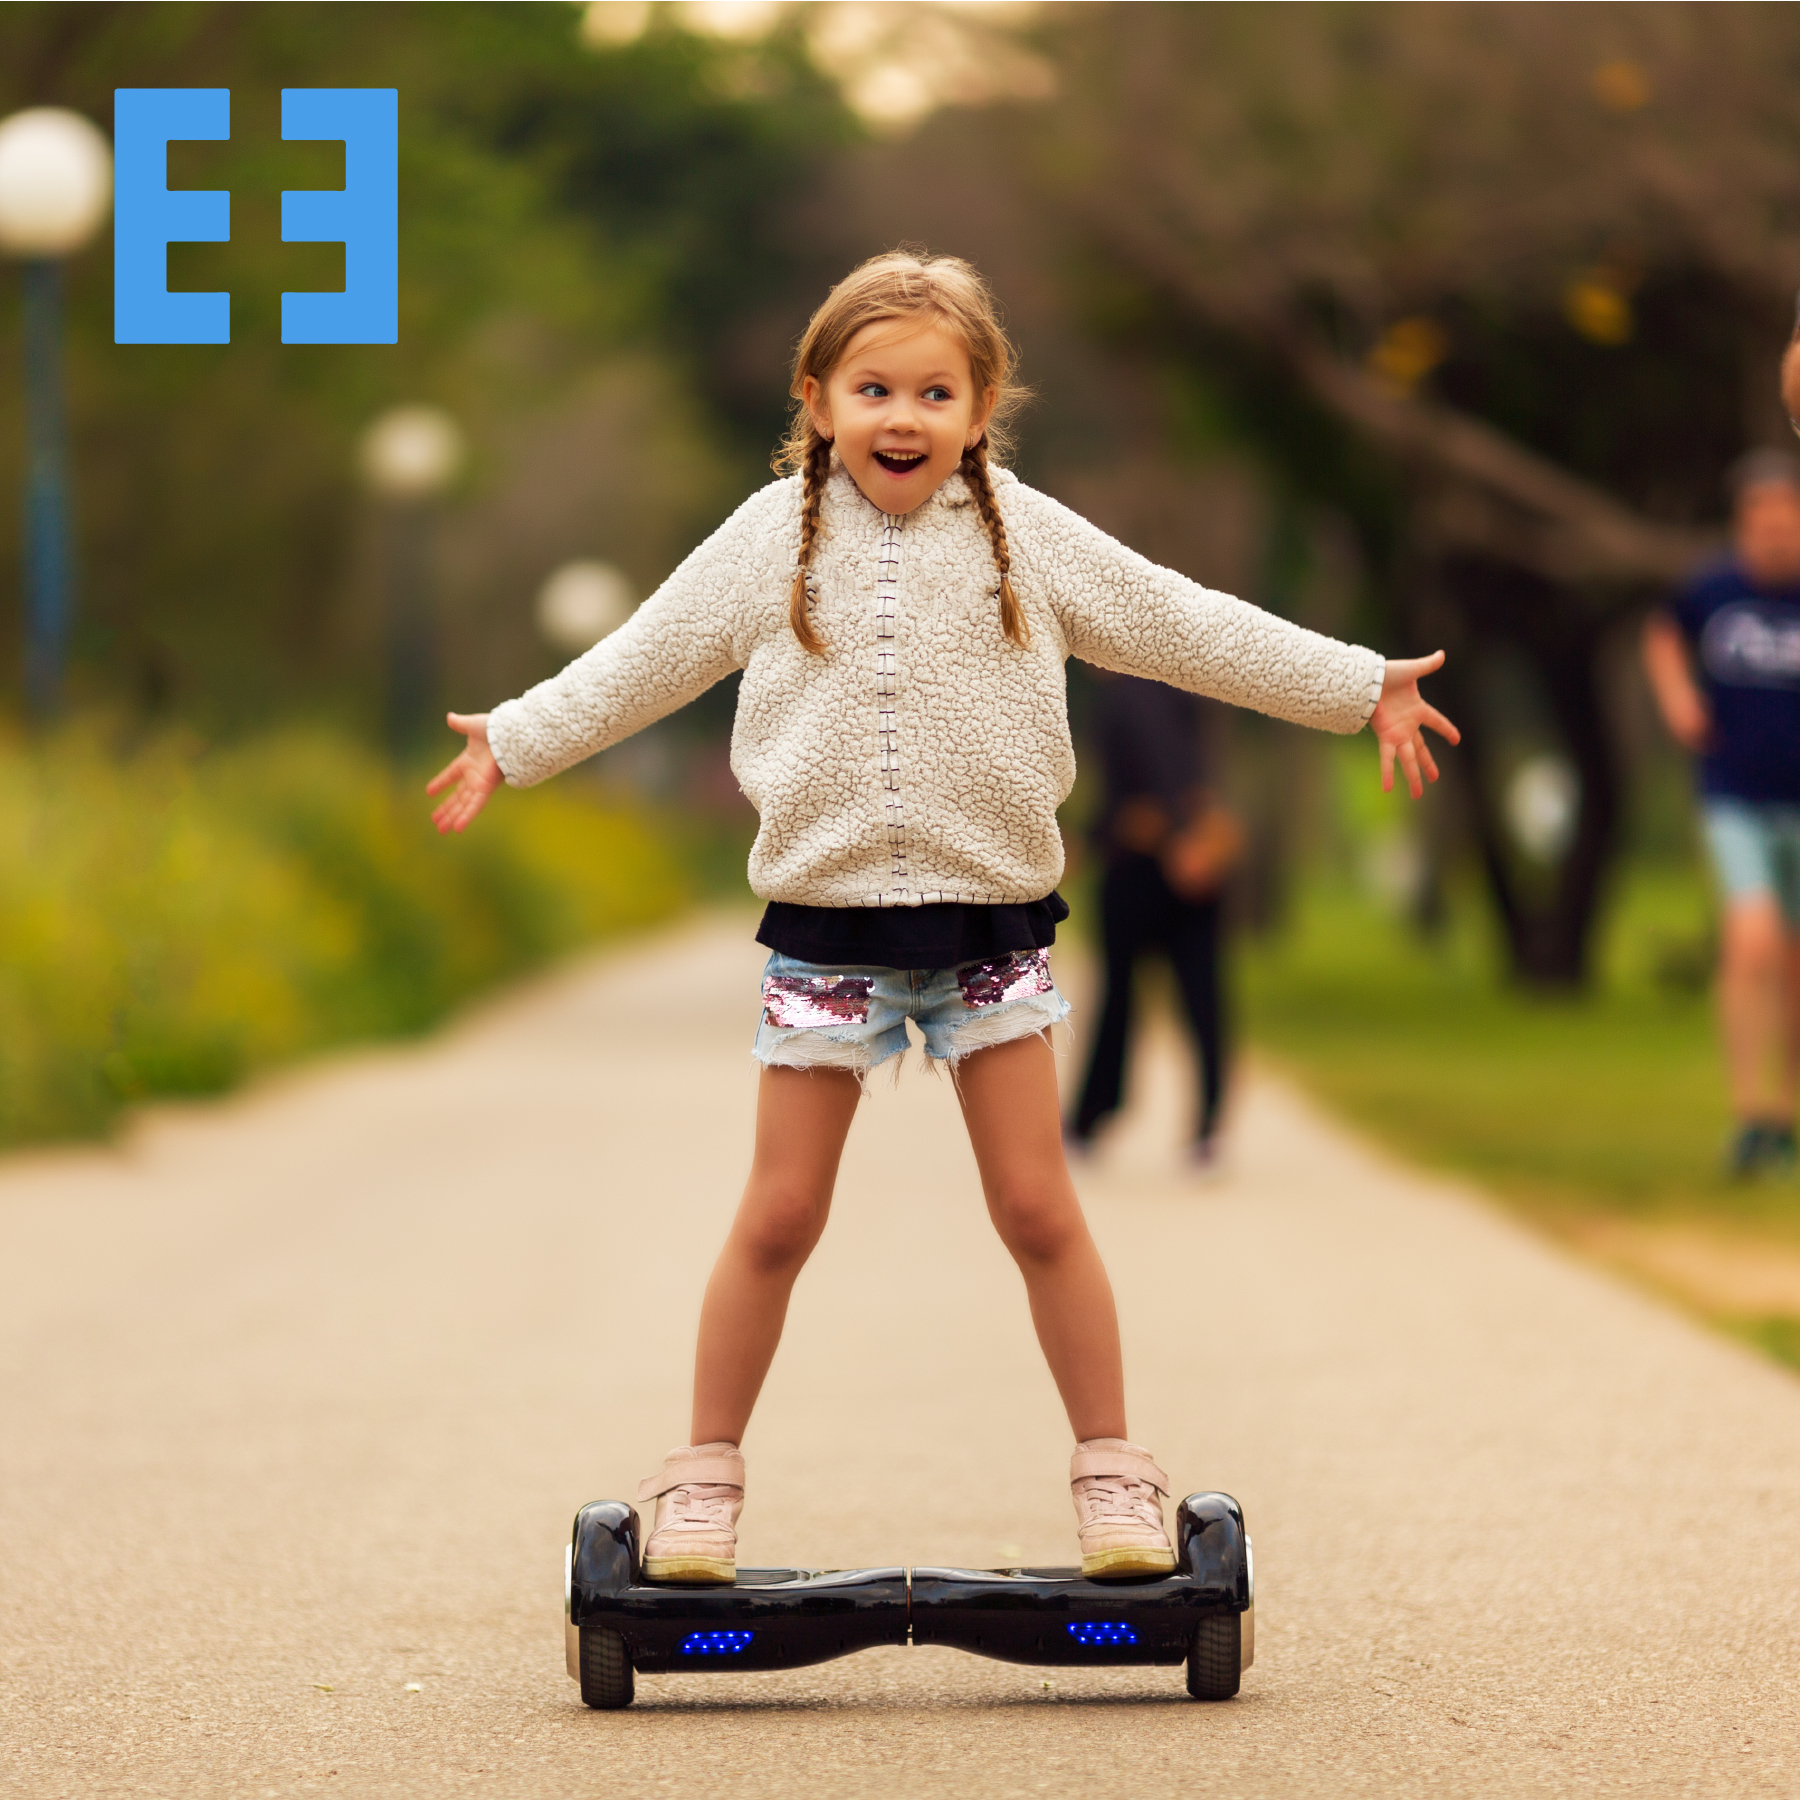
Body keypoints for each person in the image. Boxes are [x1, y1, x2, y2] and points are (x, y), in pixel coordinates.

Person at [426, 251, 1457, 1585]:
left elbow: (1182, 622)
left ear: (982, 409)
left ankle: (1114, 1479)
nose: (900, 418)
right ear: (818, 399)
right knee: (779, 1217)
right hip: (825, 941)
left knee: (1037, 1206)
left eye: (933, 391)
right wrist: (516, 738)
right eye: (872, 390)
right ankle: (700, 1485)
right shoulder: (767, 537)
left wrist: (1356, 683)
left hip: (991, 936)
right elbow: (649, 653)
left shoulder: (1029, 535)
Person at [1643, 448, 1800, 1179]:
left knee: (1794, 961)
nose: (1774, 532)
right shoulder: (1712, 590)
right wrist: (1677, 697)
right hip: (1734, 792)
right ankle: (1747, 1113)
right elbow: (1662, 632)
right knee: (1752, 936)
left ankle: (1784, 1116)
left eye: (1786, 518)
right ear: (1742, 523)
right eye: (1760, 519)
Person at [1067, 673, 1240, 1167]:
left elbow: (1157, 769)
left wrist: (1181, 838)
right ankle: (1206, 1120)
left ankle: (1093, 1118)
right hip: (1170, 858)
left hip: (1146, 867)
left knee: (1128, 997)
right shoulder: (1182, 681)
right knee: (1197, 995)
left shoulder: (1129, 690)